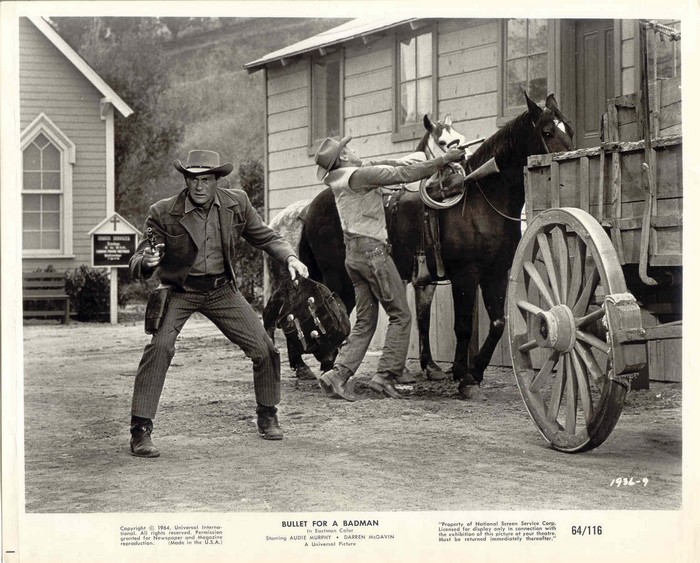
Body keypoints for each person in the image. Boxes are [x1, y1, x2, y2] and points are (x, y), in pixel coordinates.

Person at [128, 149, 308, 457]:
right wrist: (147, 261)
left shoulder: (236, 204)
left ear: (217, 180)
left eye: (207, 179)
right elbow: (137, 261)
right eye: (193, 179)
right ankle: (140, 429)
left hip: (222, 290)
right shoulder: (163, 212)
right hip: (180, 290)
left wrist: (290, 256)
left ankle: (267, 414)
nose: (199, 187)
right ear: (186, 180)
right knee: (160, 348)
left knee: (265, 348)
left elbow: (266, 236)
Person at [313, 136, 464, 401]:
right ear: (345, 157)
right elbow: (402, 173)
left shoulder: (340, 178)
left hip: (354, 256)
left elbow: (384, 164)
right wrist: (444, 159)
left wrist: (421, 159)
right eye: (350, 148)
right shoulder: (359, 176)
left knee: (365, 321)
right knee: (401, 315)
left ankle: (337, 375)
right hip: (373, 253)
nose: (355, 149)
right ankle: (385, 377)